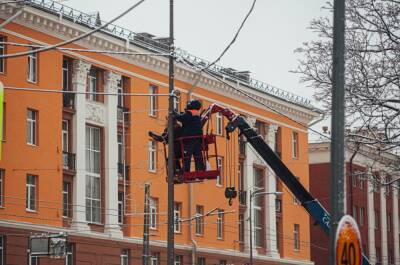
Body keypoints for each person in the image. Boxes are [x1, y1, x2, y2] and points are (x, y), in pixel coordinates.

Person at [174, 100, 205, 172]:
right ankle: (200, 169)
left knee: (187, 156)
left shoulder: (190, 113)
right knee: (198, 155)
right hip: (197, 138)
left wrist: (175, 114)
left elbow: (182, 118)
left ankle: (185, 170)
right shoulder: (197, 114)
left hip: (189, 139)